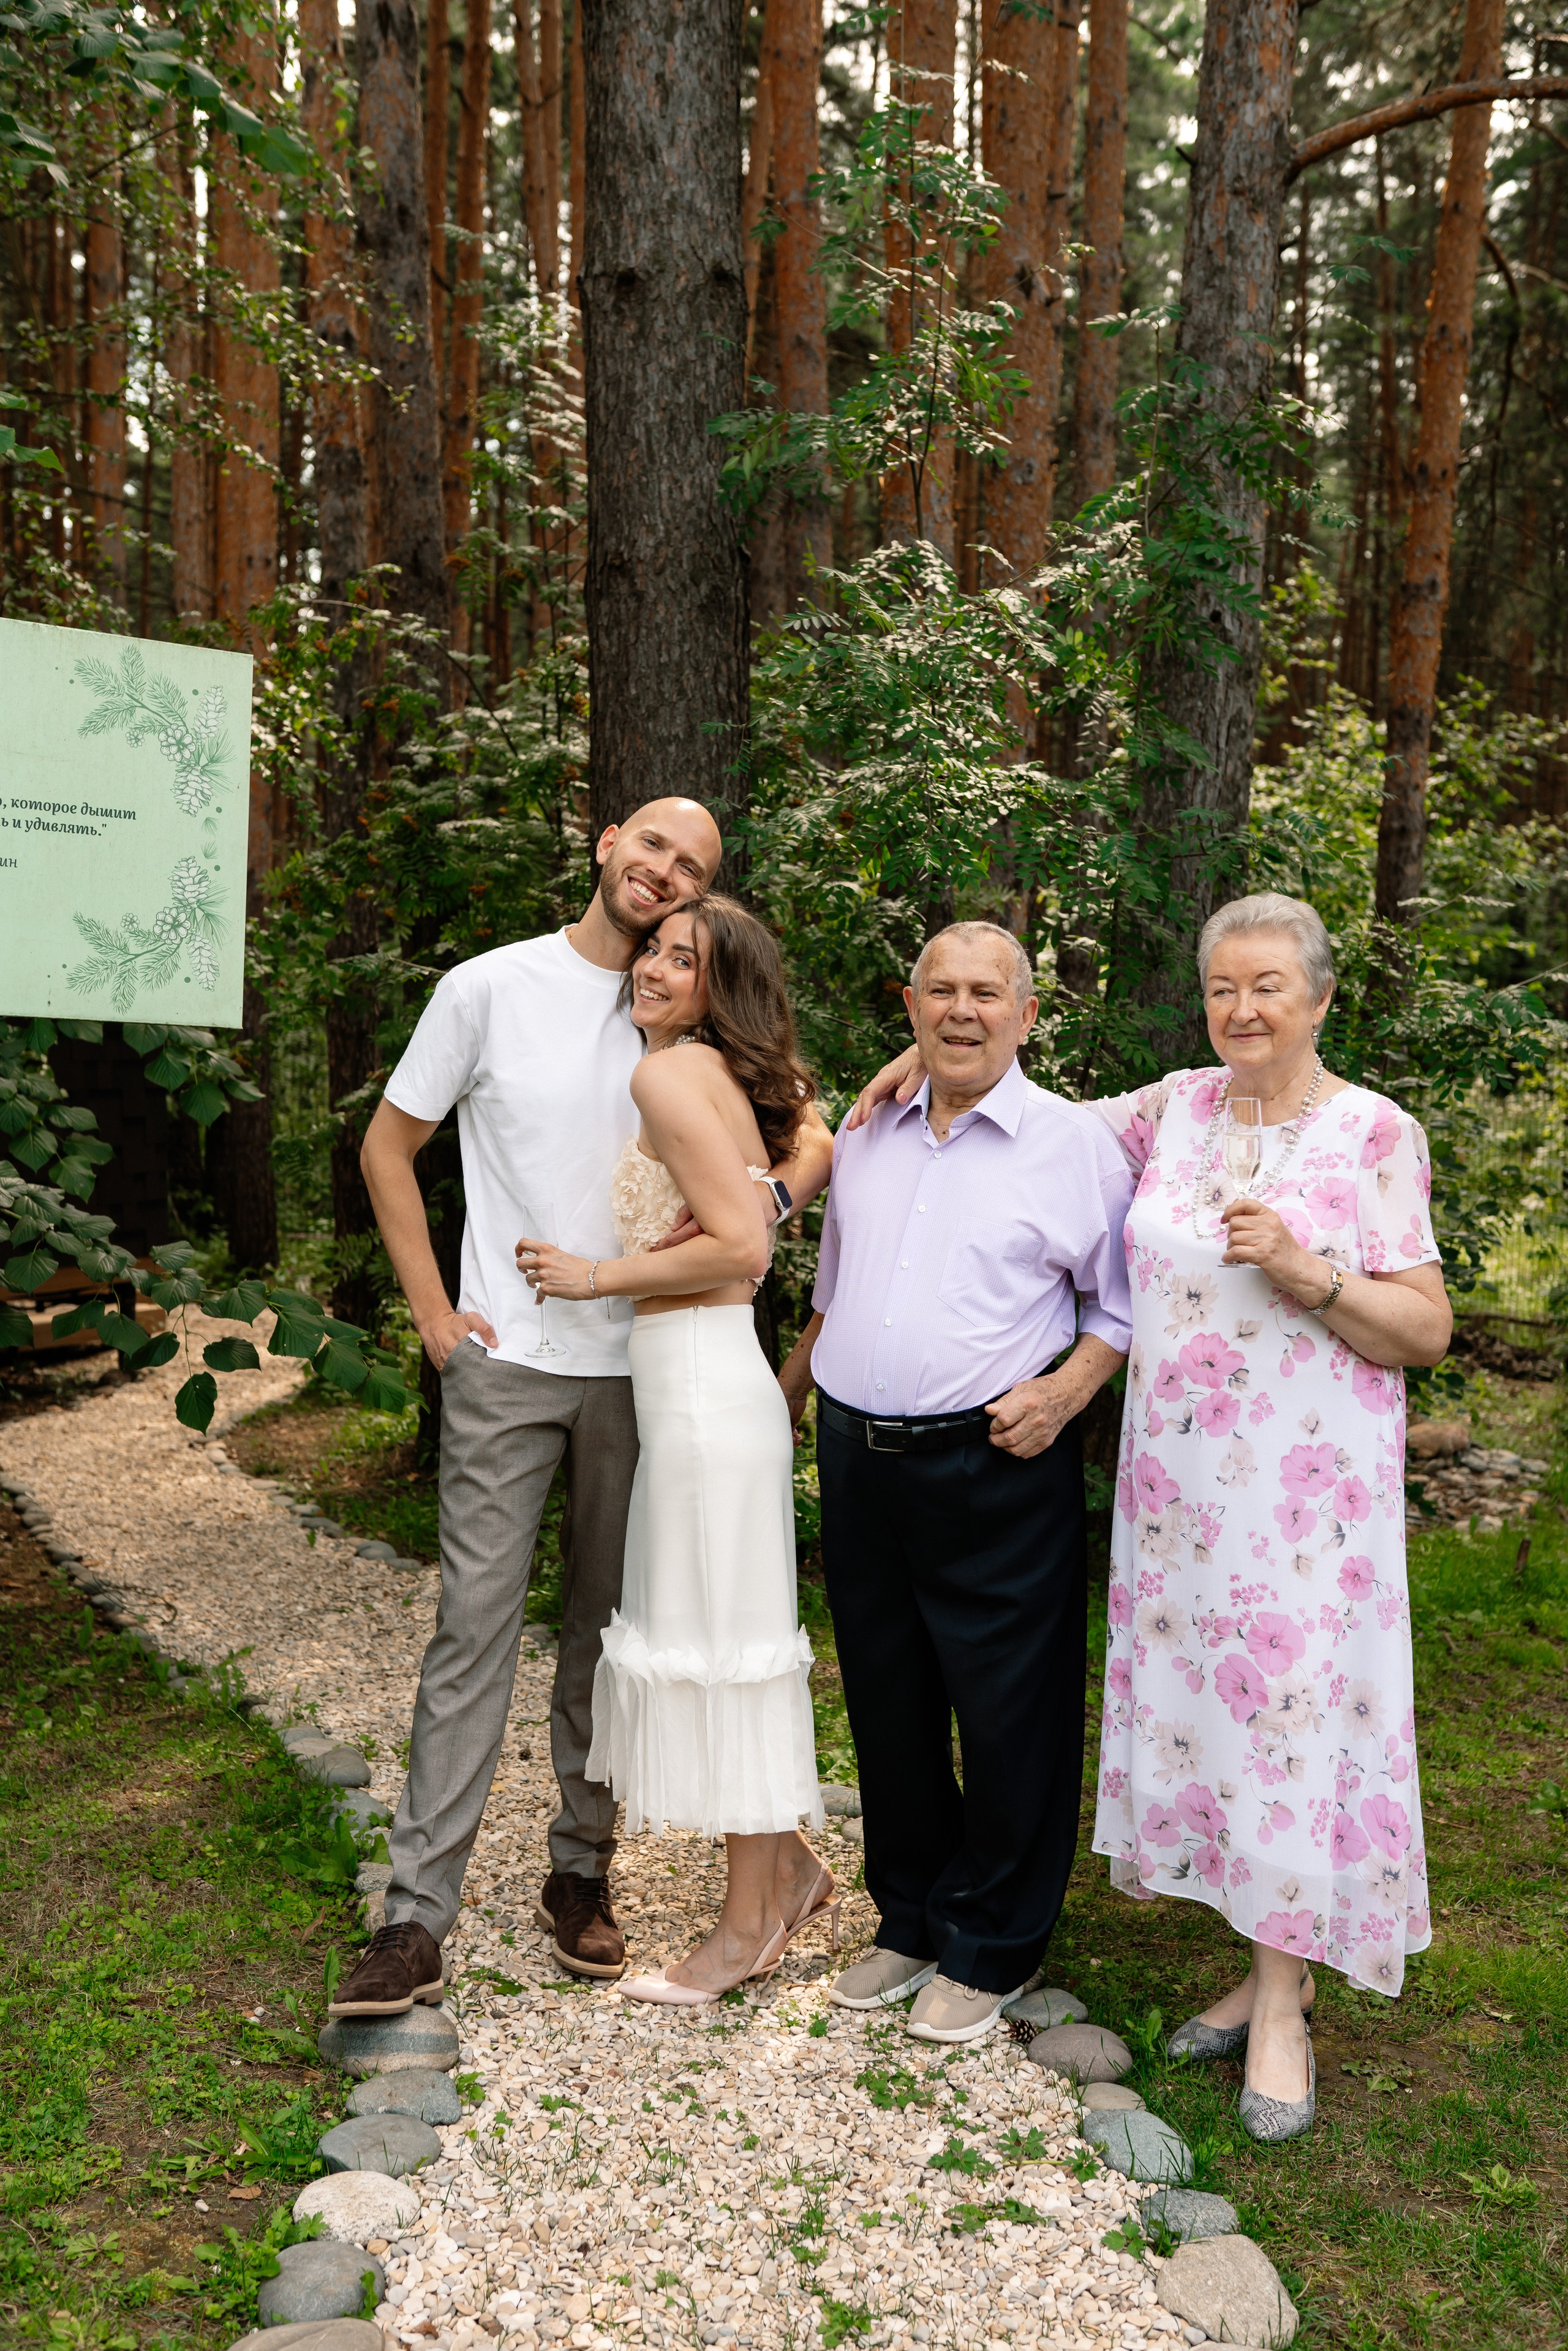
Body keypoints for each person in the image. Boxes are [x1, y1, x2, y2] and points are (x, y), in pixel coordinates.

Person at [853, 892, 1452, 2137]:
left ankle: (1280, 2003)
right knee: (1220, 1730)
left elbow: (1424, 1328)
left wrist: (1306, 1269)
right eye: (1223, 986)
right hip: (1177, 1494)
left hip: (1302, 1494)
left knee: (1289, 1726)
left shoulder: (1371, 1133)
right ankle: (1250, 1965)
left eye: (1267, 987)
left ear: (1319, 998)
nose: (1241, 1008)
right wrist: (923, 1049)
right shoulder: (1171, 1108)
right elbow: (1019, 1105)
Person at [329, 802, 832, 2016]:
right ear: (607, 843)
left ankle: (578, 1874)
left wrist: (762, 1197)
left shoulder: (686, 1013)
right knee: (472, 1629)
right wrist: (434, 1313)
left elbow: (805, 1127)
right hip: (507, 1357)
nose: (666, 877)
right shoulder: (489, 987)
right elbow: (388, 1148)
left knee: (607, 1636)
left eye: (695, 870)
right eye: (654, 847)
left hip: (646, 1370)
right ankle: (414, 1917)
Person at [777, 921, 1134, 2045]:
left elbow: (1120, 1304)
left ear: (1029, 1016)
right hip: (858, 1452)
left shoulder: (1072, 1144)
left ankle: (996, 1943)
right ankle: (914, 1915)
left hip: (996, 1454)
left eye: (989, 993)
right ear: (912, 1004)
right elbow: (837, 1288)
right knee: (887, 1694)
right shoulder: (870, 1131)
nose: (964, 1010)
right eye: (943, 990)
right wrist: (787, 1397)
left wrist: (1066, 1394)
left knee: (1008, 1703)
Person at [518, 895, 835, 2004]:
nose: (652, 966)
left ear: (718, 986)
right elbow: (813, 1157)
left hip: (702, 1389)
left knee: (723, 1651)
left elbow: (741, 1245)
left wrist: (591, 1275)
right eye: (653, 948)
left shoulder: (667, 1076)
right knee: (722, 1638)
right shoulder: (718, 1077)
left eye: (682, 959)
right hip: (706, 1388)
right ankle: (784, 1869)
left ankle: (745, 1927)